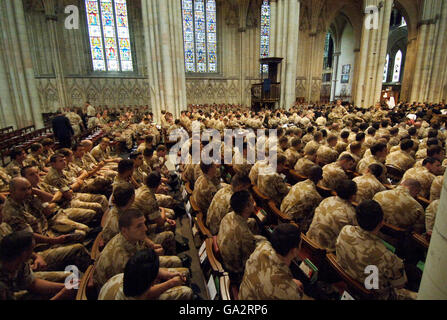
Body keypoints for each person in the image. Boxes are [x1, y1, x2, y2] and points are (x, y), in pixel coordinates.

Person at [336, 200, 417, 300]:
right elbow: (400, 285)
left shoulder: (345, 231)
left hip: (350, 283)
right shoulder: (388, 258)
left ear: (356, 218)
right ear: (381, 222)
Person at [93, 209, 187, 290]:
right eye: (139, 226)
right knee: (183, 281)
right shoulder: (121, 258)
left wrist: (152, 251)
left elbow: (139, 258)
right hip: (124, 292)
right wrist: (169, 282)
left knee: (176, 264)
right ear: (124, 230)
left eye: (143, 224)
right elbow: (140, 293)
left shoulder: (129, 237)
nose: (145, 228)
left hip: (134, 280)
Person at [0, 231, 76, 300]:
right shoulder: (2, 286)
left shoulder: (20, 262)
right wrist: (61, 295)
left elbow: (32, 283)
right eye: (31, 250)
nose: (32, 254)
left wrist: (65, 286)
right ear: (24, 253)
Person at [239, 224, 304, 300]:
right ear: (294, 250)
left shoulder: (262, 247)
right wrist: (292, 287)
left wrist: (291, 283)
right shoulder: (290, 294)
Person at [98, 249, 193, 300]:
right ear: (153, 282)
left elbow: (142, 268)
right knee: (186, 292)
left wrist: (168, 274)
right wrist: (171, 283)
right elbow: (146, 295)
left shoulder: (121, 277)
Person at [217, 191, 267, 281]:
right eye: (252, 201)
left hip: (225, 253)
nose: (254, 203)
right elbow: (249, 260)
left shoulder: (229, 215)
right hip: (235, 269)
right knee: (265, 243)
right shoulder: (245, 236)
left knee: (252, 222)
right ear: (247, 207)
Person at [306, 179, 357, 252]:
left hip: (309, 240)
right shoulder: (350, 213)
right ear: (353, 196)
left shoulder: (326, 200)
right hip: (326, 250)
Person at [280, 165, 323, 232]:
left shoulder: (298, 184)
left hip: (280, 212)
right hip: (291, 223)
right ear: (320, 178)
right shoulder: (316, 196)